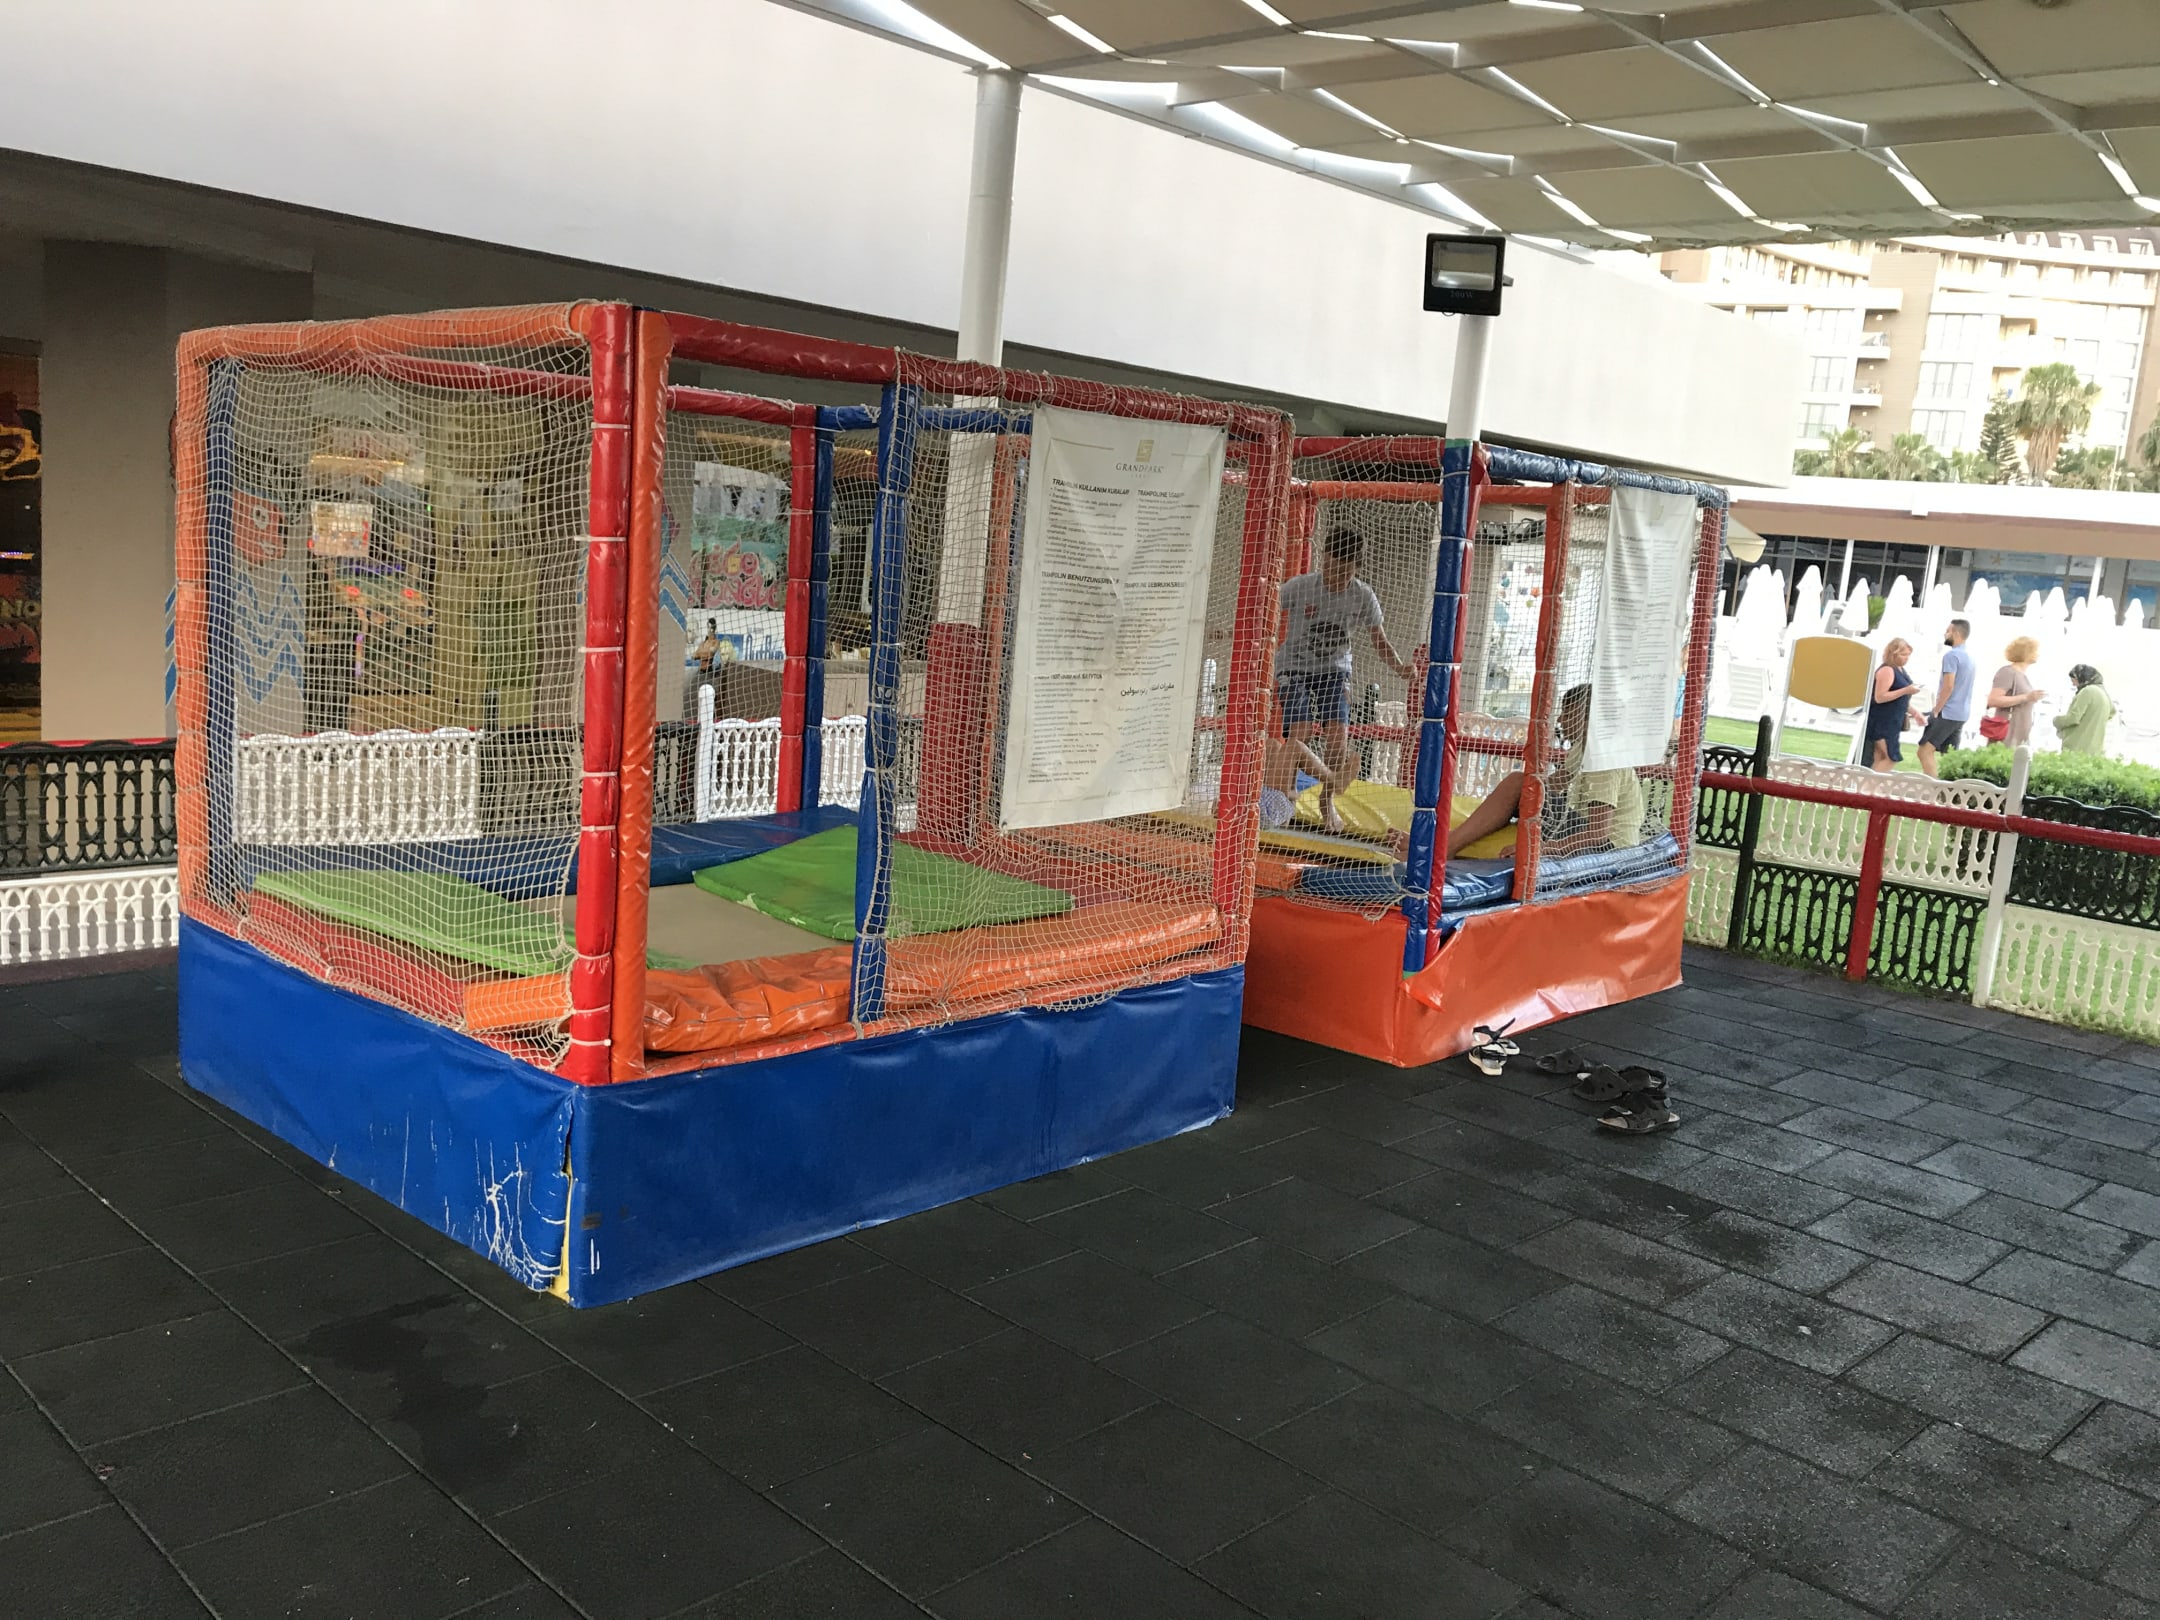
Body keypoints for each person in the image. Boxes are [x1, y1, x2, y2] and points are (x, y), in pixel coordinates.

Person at [1275, 527, 1414, 832]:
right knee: (1300, 731)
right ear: (1323, 560)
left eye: (1344, 571)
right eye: (1330, 567)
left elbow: (1379, 640)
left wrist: (1400, 667)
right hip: (1293, 667)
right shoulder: (1301, 586)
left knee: (1338, 737)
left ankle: (1327, 802)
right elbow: (1266, 610)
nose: (1335, 576)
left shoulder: (1361, 595)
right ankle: (1287, 800)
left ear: (1356, 568)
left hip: (1334, 671)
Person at [1444, 684, 1645, 858]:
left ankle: (1450, 845)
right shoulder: (1583, 748)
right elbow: (1555, 783)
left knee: (1518, 783)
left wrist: (1542, 849)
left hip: (1610, 850)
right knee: (1523, 785)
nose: (1561, 721)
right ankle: (1455, 838)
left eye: (1568, 714)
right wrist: (1516, 799)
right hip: (1585, 829)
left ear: (1587, 719)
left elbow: (1598, 834)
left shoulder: (1604, 759)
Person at [1917, 617, 1976, 777]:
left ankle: (1934, 788)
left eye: (1948, 631)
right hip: (1961, 713)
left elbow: (1948, 686)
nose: (1945, 634)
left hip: (1948, 712)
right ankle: (1949, 788)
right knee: (1950, 758)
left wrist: (1937, 709)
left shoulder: (1951, 656)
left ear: (1956, 633)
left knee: (1924, 751)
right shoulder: (1970, 658)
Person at [1863, 638, 1920, 773]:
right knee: (1891, 757)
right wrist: (1906, 690)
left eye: (1908, 655)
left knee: (1880, 757)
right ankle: (1869, 784)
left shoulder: (1900, 670)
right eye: (1903, 655)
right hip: (1882, 721)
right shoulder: (1887, 670)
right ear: (1893, 654)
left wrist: (1915, 712)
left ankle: (1870, 783)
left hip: (1893, 720)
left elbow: (1899, 699)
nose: (1906, 658)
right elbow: (1880, 697)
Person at [1983, 636, 2046, 748]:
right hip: (2008, 733)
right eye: (2035, 650)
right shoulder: (2007, 672)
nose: (2038, 654)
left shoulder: (2022, 675)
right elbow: (1993, 700)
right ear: (2026, 652)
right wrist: (2026, 697)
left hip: (2020, 734)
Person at [2054, 664, 2114, 755]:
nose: (2073, 684)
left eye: (2074, 680)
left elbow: (2073, 718)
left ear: (2082, 677)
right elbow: (2112, 712)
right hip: (2095, 749)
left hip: (2078, 747)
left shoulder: (2087, 691)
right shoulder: (2102, 692)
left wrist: (2056, 720)